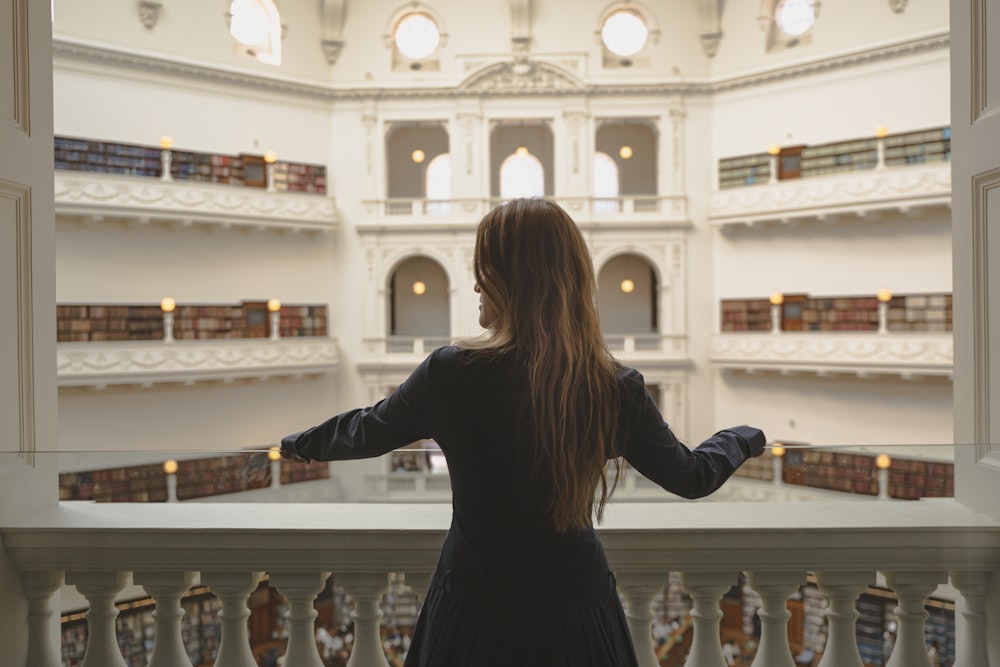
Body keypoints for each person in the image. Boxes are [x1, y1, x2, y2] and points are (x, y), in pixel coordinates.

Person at [280, 197, 766, 666]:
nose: (475, 286)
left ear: (516, 281)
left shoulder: (451, 373)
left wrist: (297, 445)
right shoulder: (612, 387)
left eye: (484, 271)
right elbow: (692, 476)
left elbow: (368, 431)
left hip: (473, 607)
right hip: (576, 610)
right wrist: (744, 436)